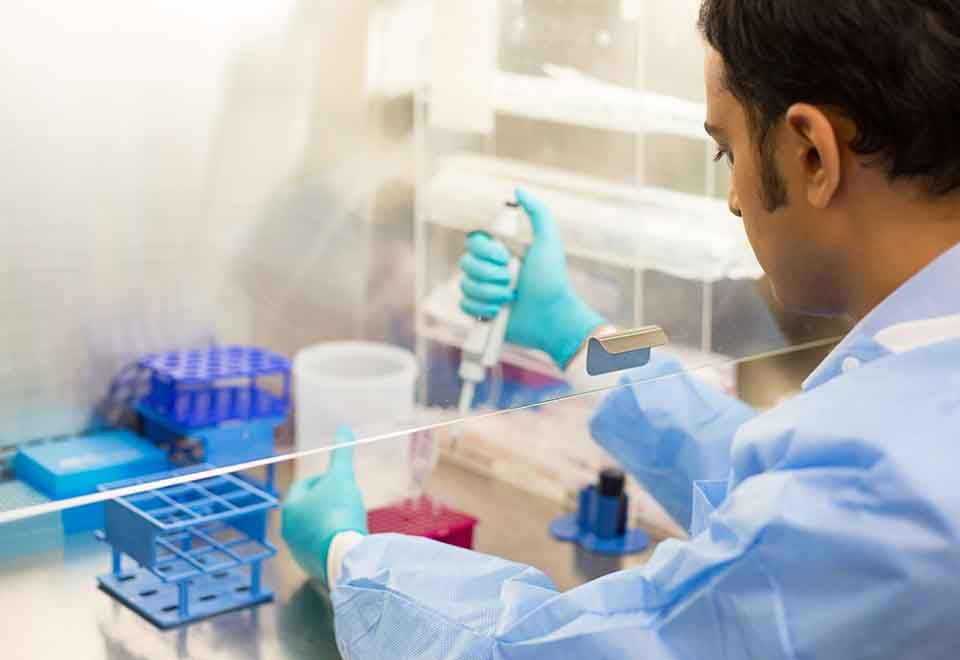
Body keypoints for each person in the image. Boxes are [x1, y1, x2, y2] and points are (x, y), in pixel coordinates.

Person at [283, 2, 960, 657]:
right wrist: (574, 333)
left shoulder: (885, 496)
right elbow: (763, 476)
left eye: (726, 152)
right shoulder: (921, 383)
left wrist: (351, 558)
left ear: (812, 153)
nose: (733, 198)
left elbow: (583, 648)